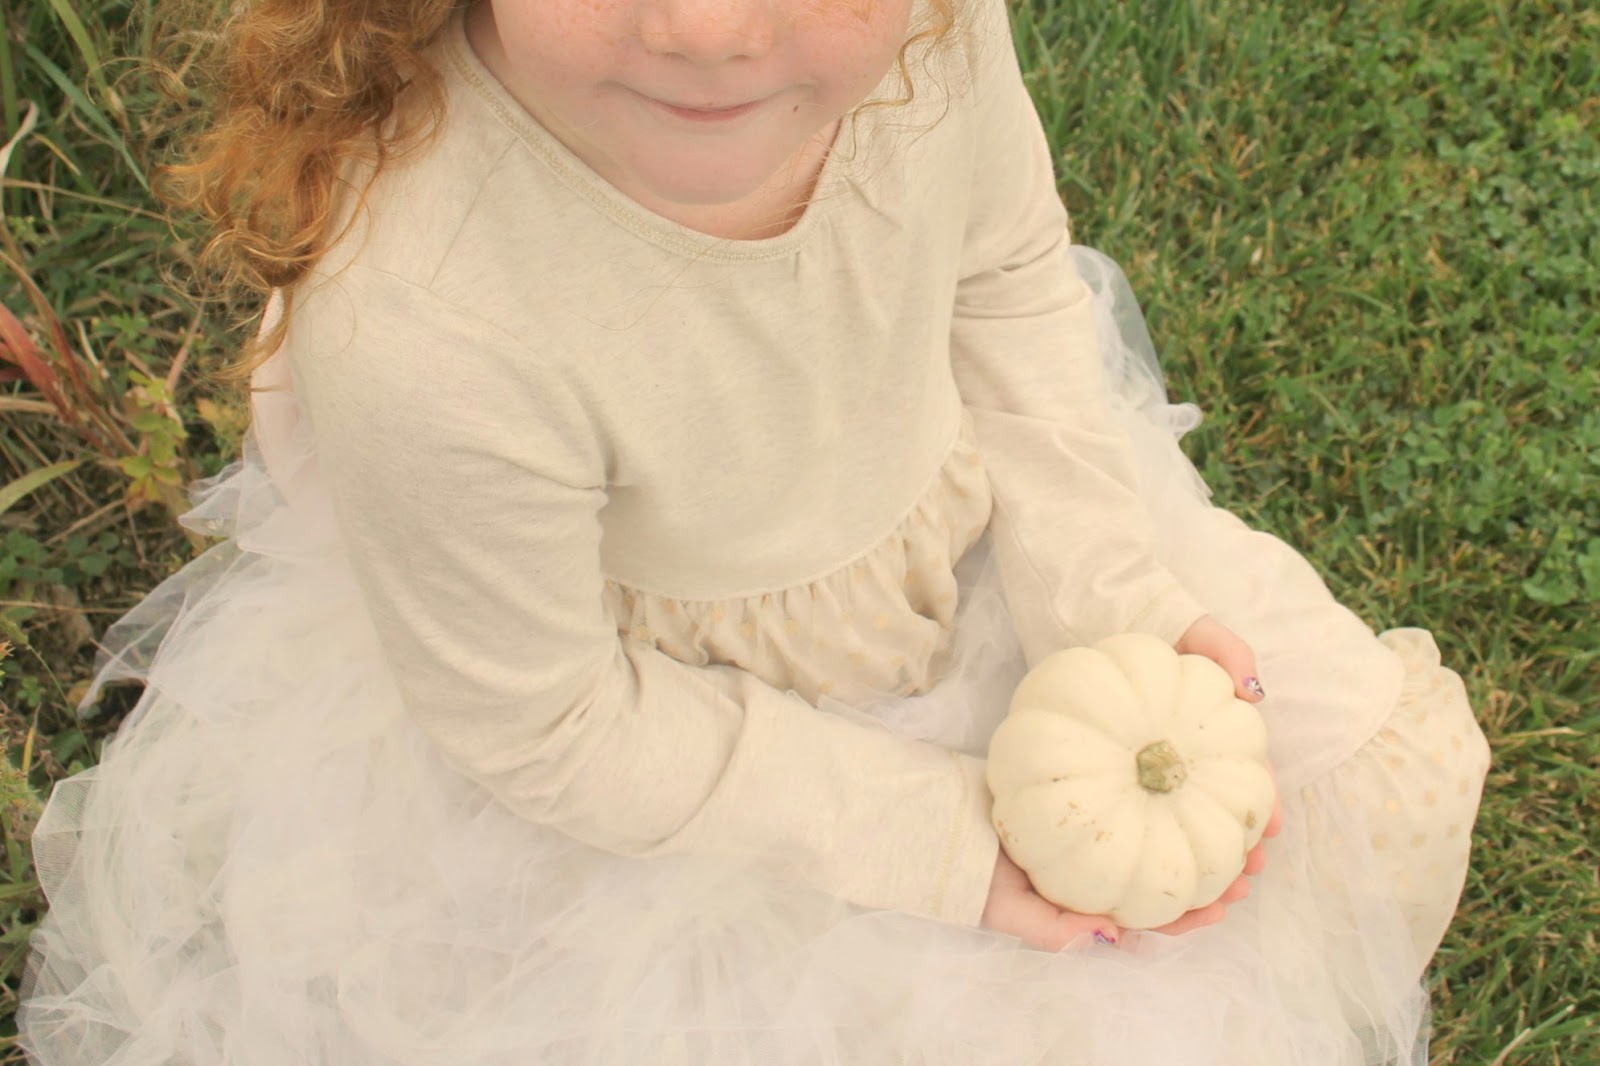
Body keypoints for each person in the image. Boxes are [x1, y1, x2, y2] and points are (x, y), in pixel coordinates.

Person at [17, 0, 1491, 1062]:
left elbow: (1007, 283)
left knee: (1383, 777)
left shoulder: (933, 36)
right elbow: (548, 722)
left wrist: (1106, 597)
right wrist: (952, 842)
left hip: (971, 530)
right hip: (670, 725)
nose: (708, 26)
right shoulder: (426, 319)